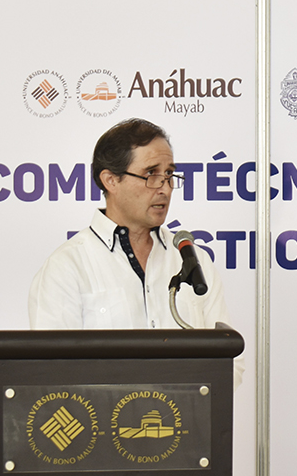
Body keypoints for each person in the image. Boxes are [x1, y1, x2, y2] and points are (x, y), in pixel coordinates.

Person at [29, 119, 233, 338]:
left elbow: (225, 353)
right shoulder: (66, 267)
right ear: (111, 180)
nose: (165, 188)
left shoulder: (195, 262)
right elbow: (54, 359)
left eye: (168, 174)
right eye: (151, 174)